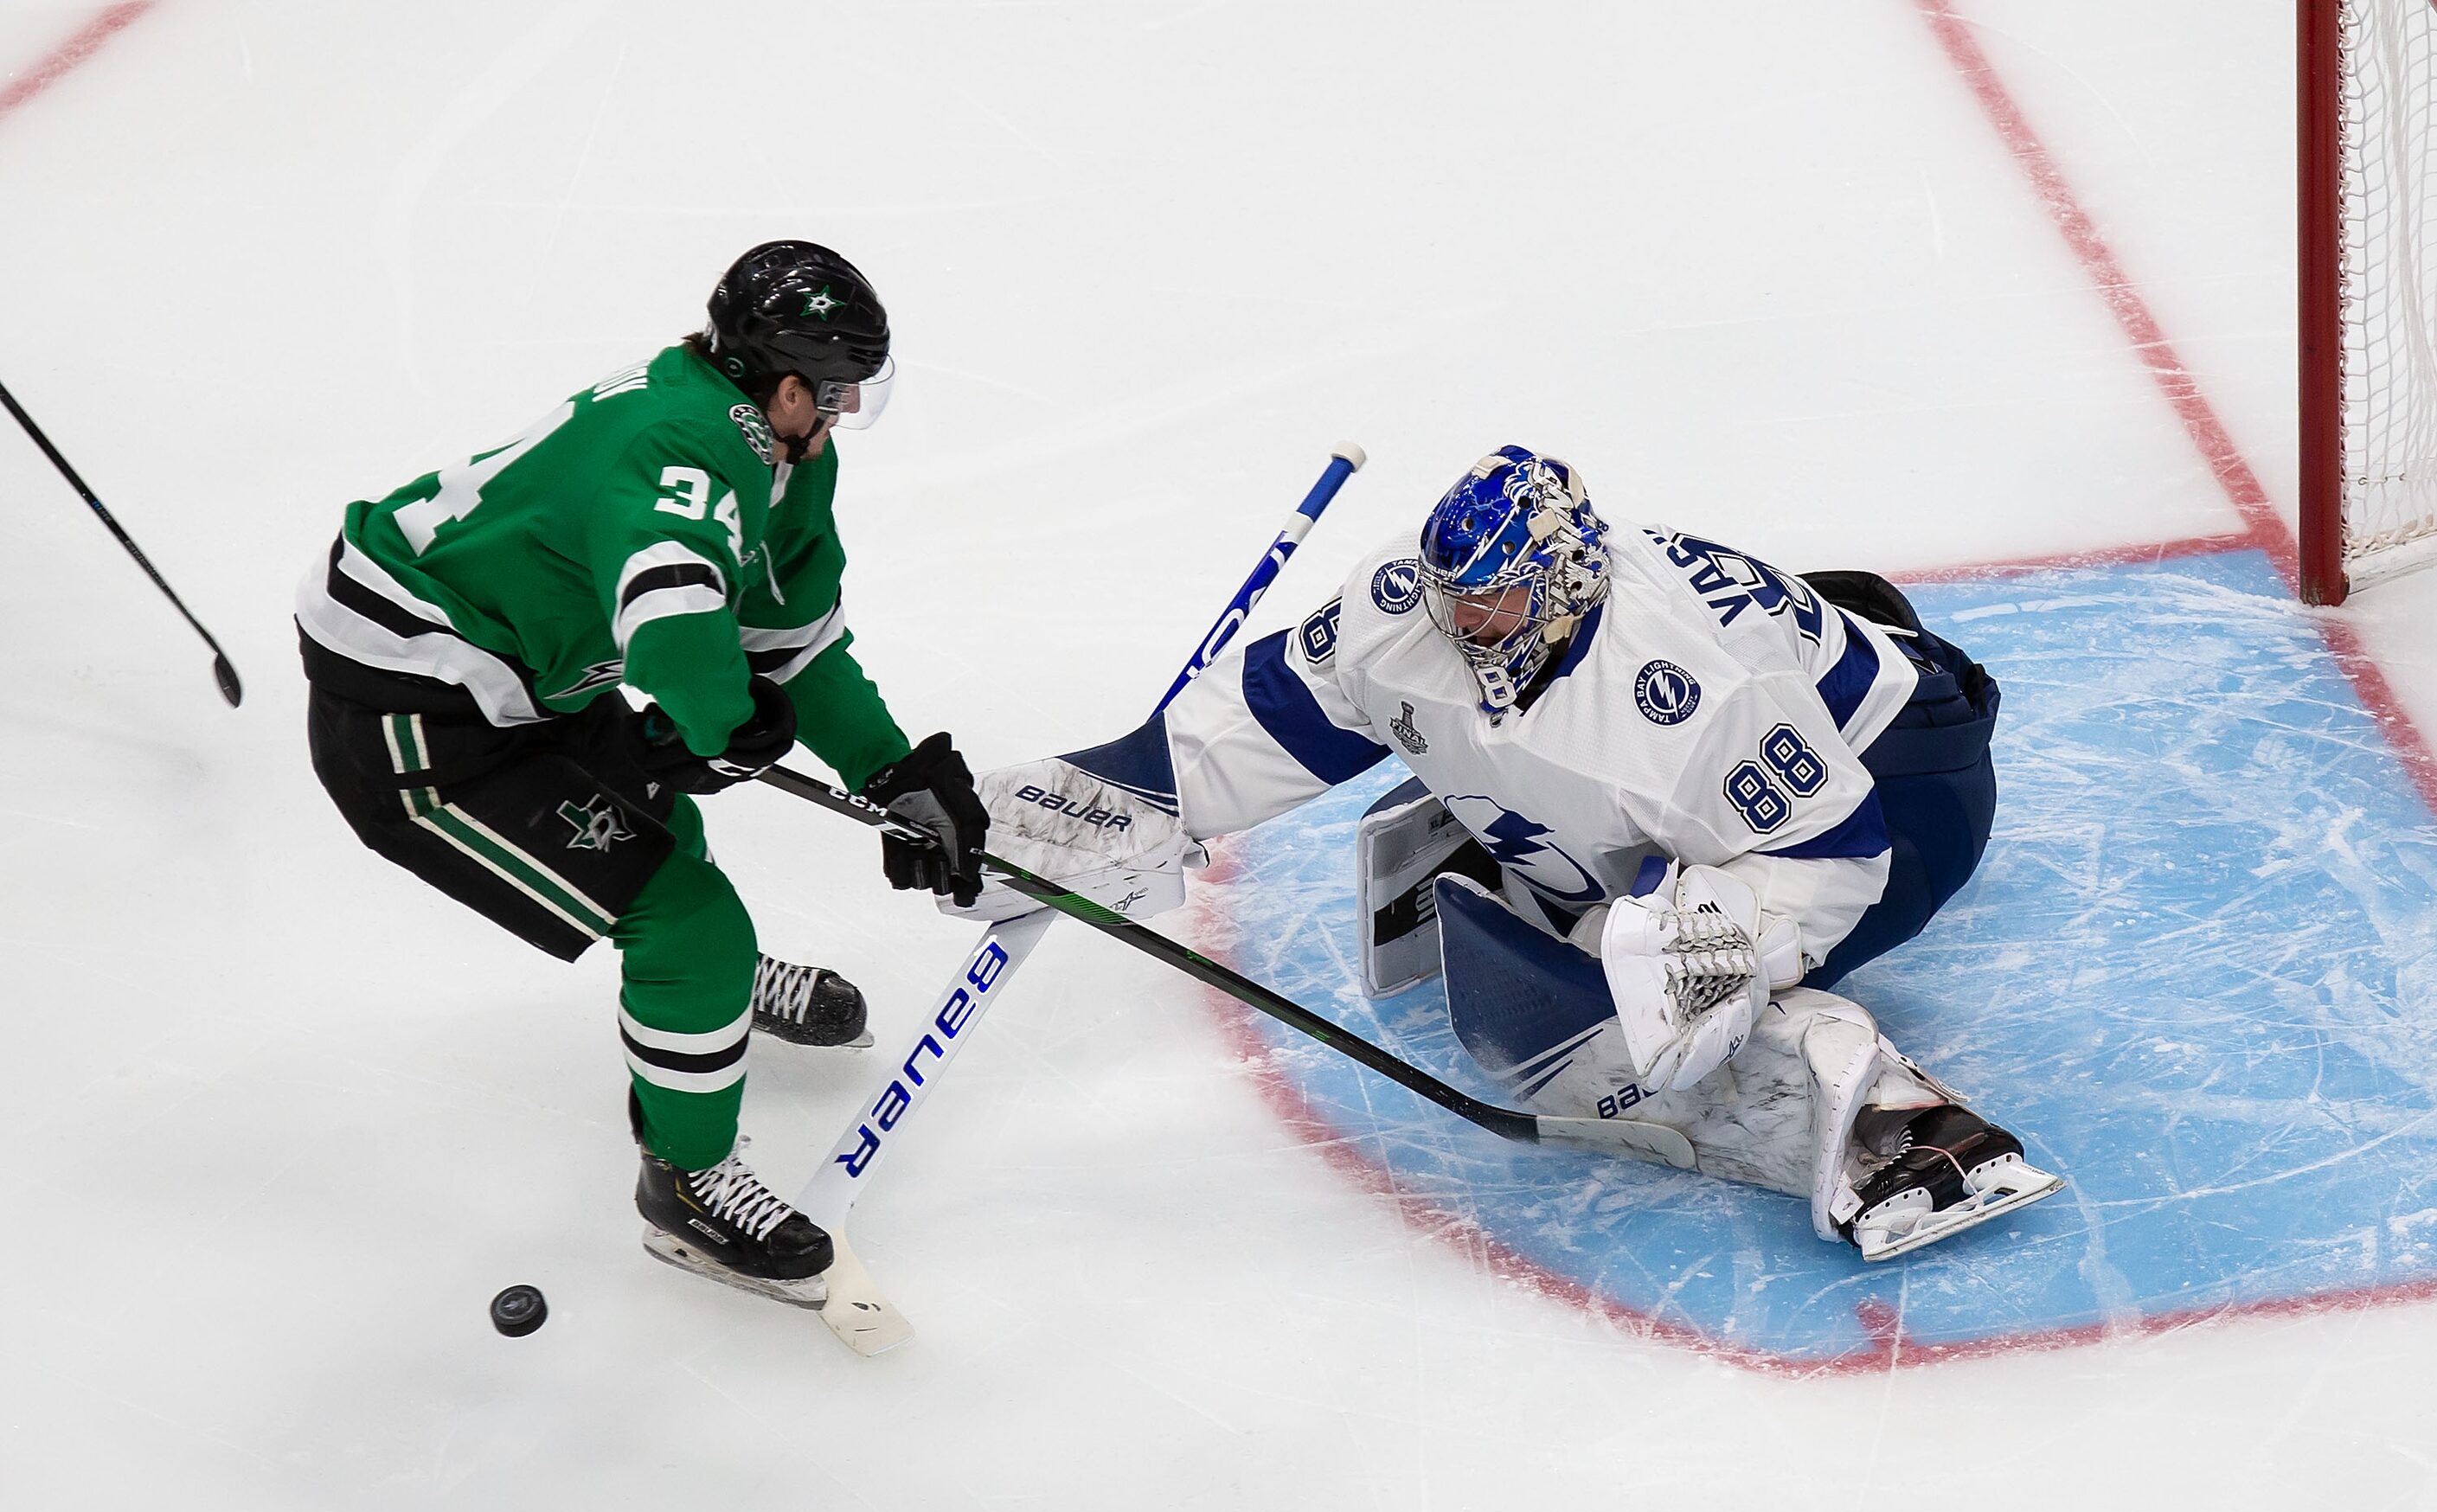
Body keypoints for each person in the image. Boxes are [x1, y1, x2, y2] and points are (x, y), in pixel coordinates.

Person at [957, 445, 2057, 1261]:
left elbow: (1827, 855)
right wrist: (1099, 807)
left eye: (1496, 598)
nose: (1467, 621)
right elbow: (1281, 706)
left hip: (1905, 793)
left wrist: (1699, 969)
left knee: (1618, 1010)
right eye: (1455, 598)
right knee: (1551, 807)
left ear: (1572, 577)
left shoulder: (1683, 694)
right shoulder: (1414, 607)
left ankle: (1891, 1122)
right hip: (1801, 705)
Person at [296, 240, 990, 1306]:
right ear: (789, 382)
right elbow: (674, 624)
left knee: (666, 831)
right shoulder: (683, 443)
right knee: (687, 920)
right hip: (413, 711)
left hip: (518, 672)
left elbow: (788, 643)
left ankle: (705, 1002)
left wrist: (892, 768)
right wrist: (722, 722)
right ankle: (688, 1187)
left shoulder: (779, 448)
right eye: (839, 391)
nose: (846, 413)